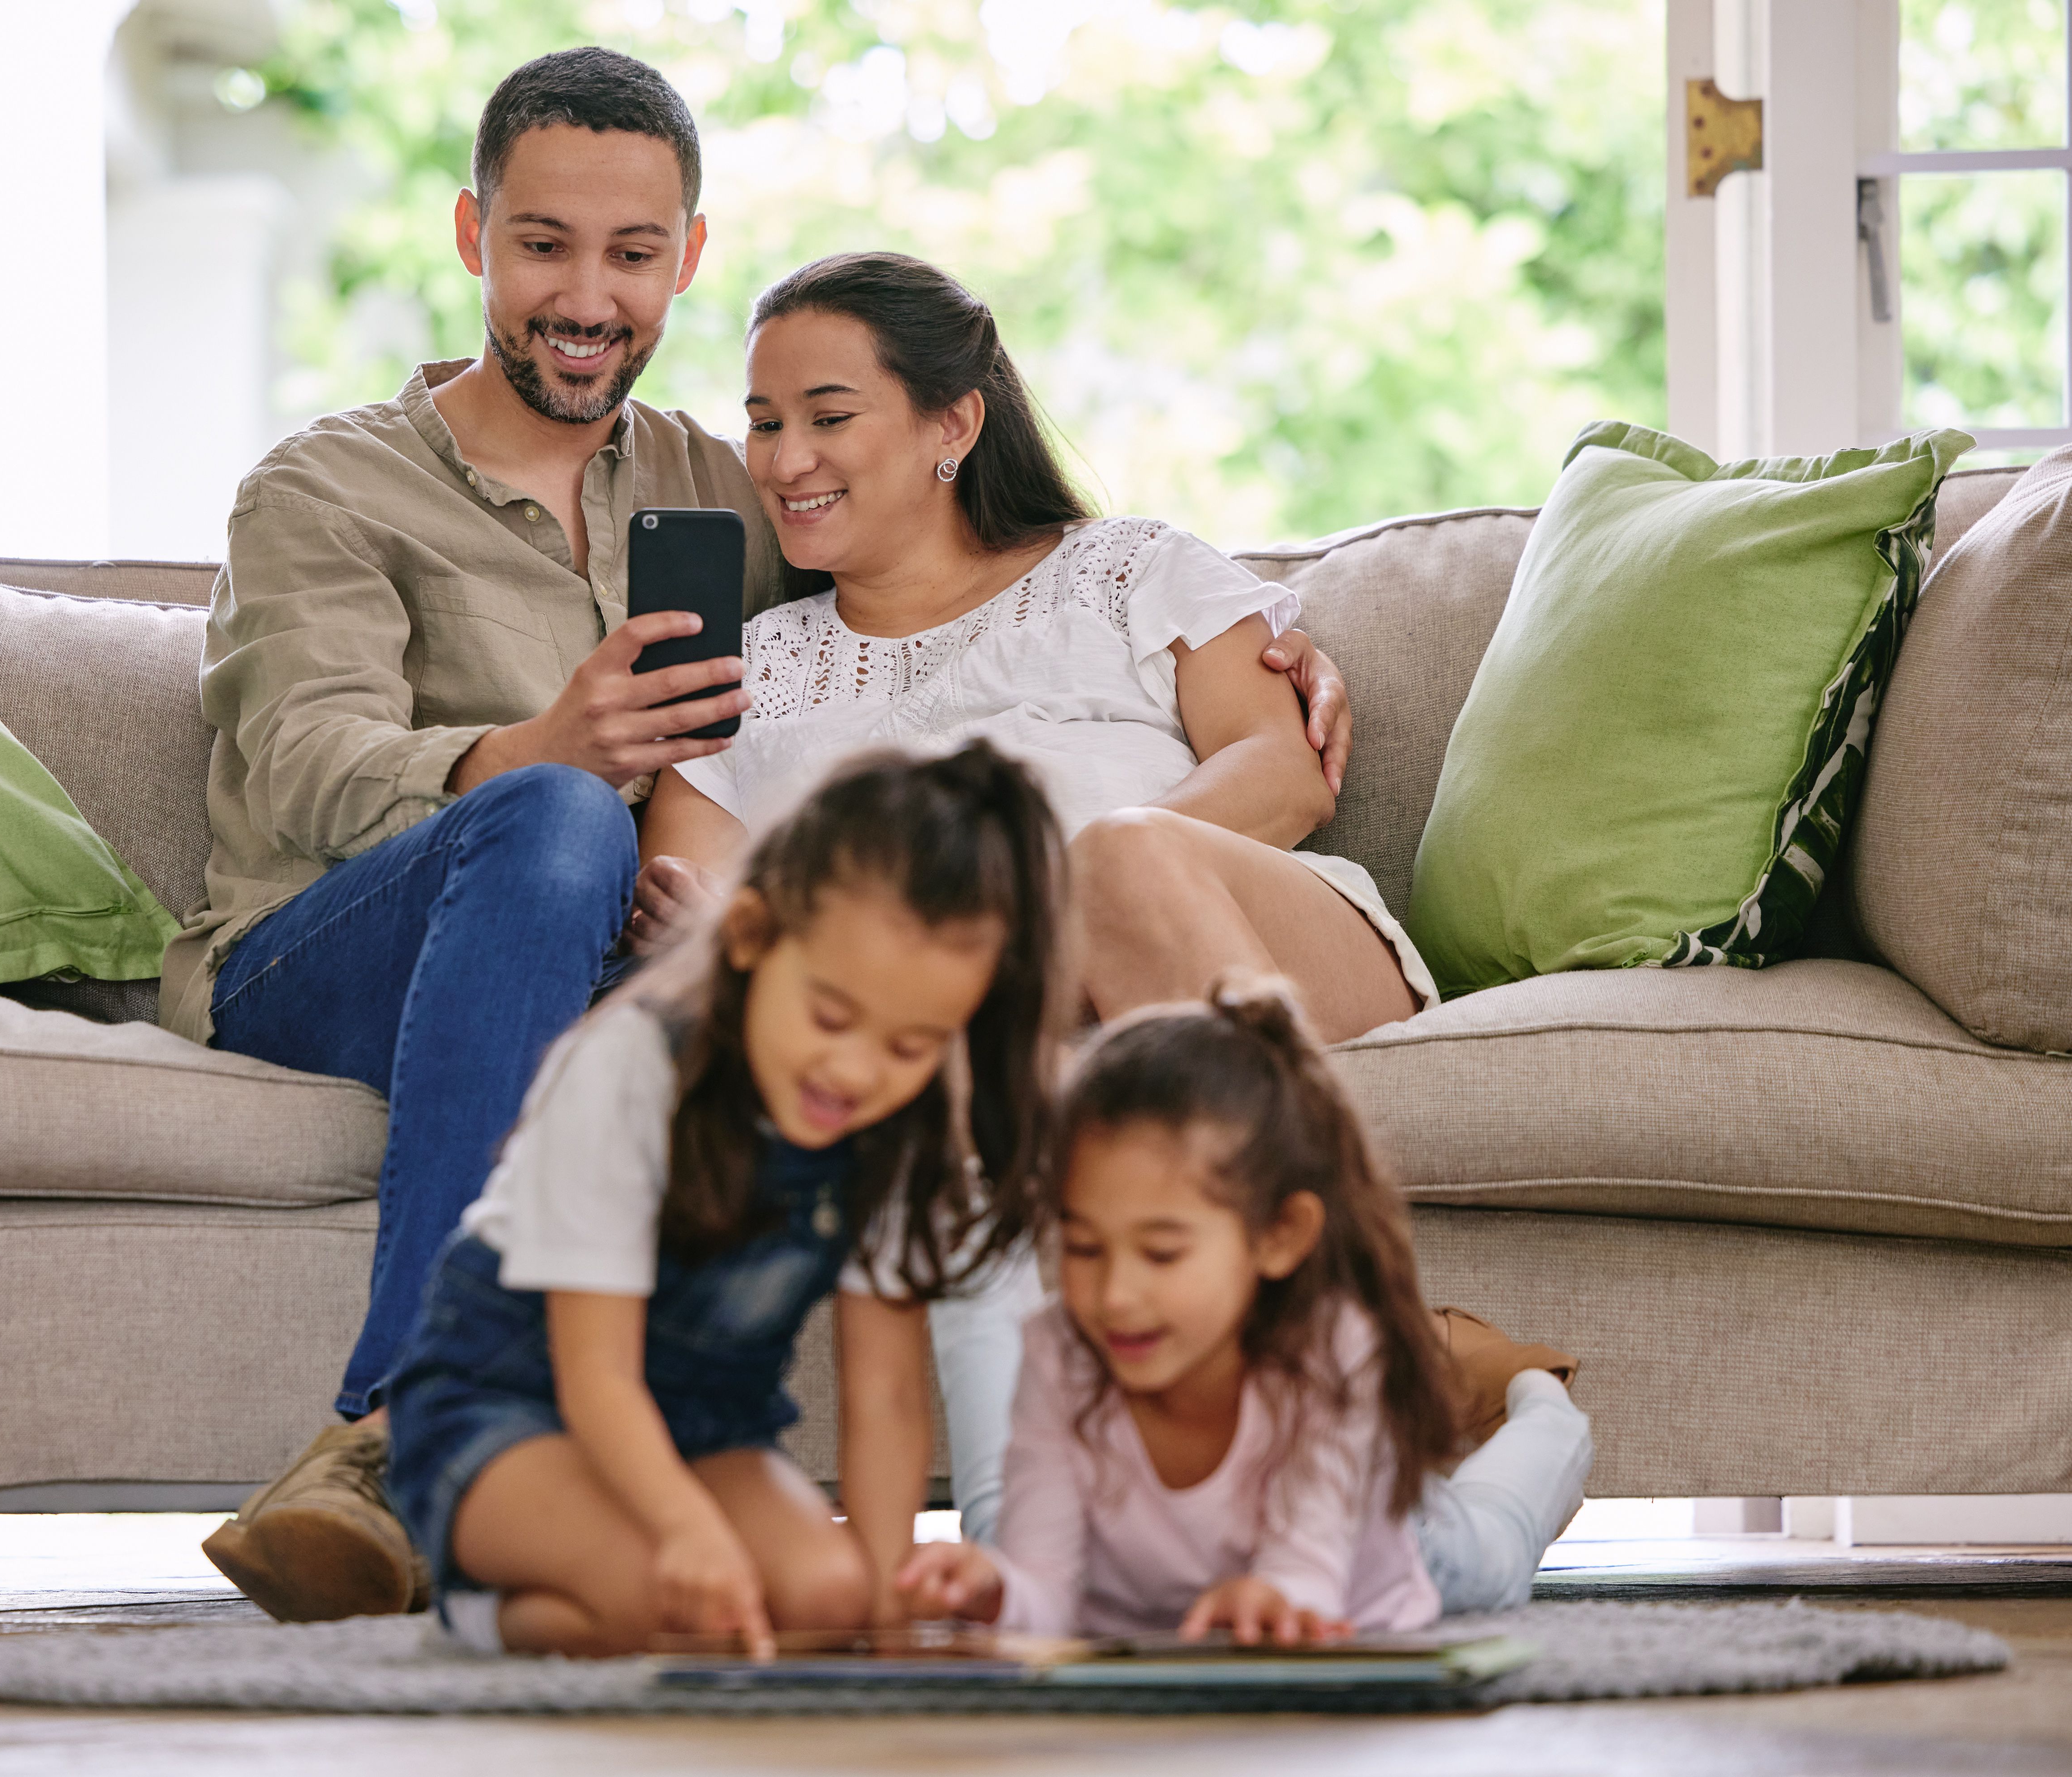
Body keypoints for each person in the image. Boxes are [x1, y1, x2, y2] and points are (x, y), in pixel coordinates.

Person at [181, 52, 1356, 1623]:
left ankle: (611, 1547)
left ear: (687, 255)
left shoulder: (726, 482)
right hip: (329, 947)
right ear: (473, 238)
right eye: (542, 246)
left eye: (631, 252)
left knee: (708, 956)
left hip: (597, 949)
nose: (586, 297)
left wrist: (1277, 653)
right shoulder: (328, 486)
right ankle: (395, 1429)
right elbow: (301, 767)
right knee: (556, 819)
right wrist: (537, 750)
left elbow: (940, 596)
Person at [633, 249, 1454, 1538]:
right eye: (764, 421)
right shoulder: (752, 670)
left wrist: (1038, 911)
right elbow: (695, 901)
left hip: (1246, 938)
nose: (785, 460)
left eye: (828, 416)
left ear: (952, 425)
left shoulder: (1125, 570)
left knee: (1116, 857)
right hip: (977, 1032)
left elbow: (1283, 770)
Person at [387, 744, 1065, 1654]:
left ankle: (643, 1585)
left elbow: (886, 1395)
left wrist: (885, 1613)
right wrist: (688, 1532)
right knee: (683, 1604)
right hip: (510, 1413)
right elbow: (596, 1375)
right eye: (830, 1017)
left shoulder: (901, 1129)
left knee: (827, 1604)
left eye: (910, 1047)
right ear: (750, 937)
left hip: (710, 1431)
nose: (856, 1070)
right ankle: (480, 1611)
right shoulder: (632, 1067)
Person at [893, 979, 1593, 1639]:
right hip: (1143, 1591)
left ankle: (1543, 1404)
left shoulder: (1330, 1353)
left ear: (1278, 1236)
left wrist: (1275, 1595)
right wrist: (995, 1590)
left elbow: (1306, 1579)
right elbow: (1044, 1590)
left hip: (1364, 1555)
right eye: (1082, 1248)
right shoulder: (1058, 1352)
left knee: (1494, 1552)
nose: (1115, 1296)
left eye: (1162, 1253)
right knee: (997, 1530)